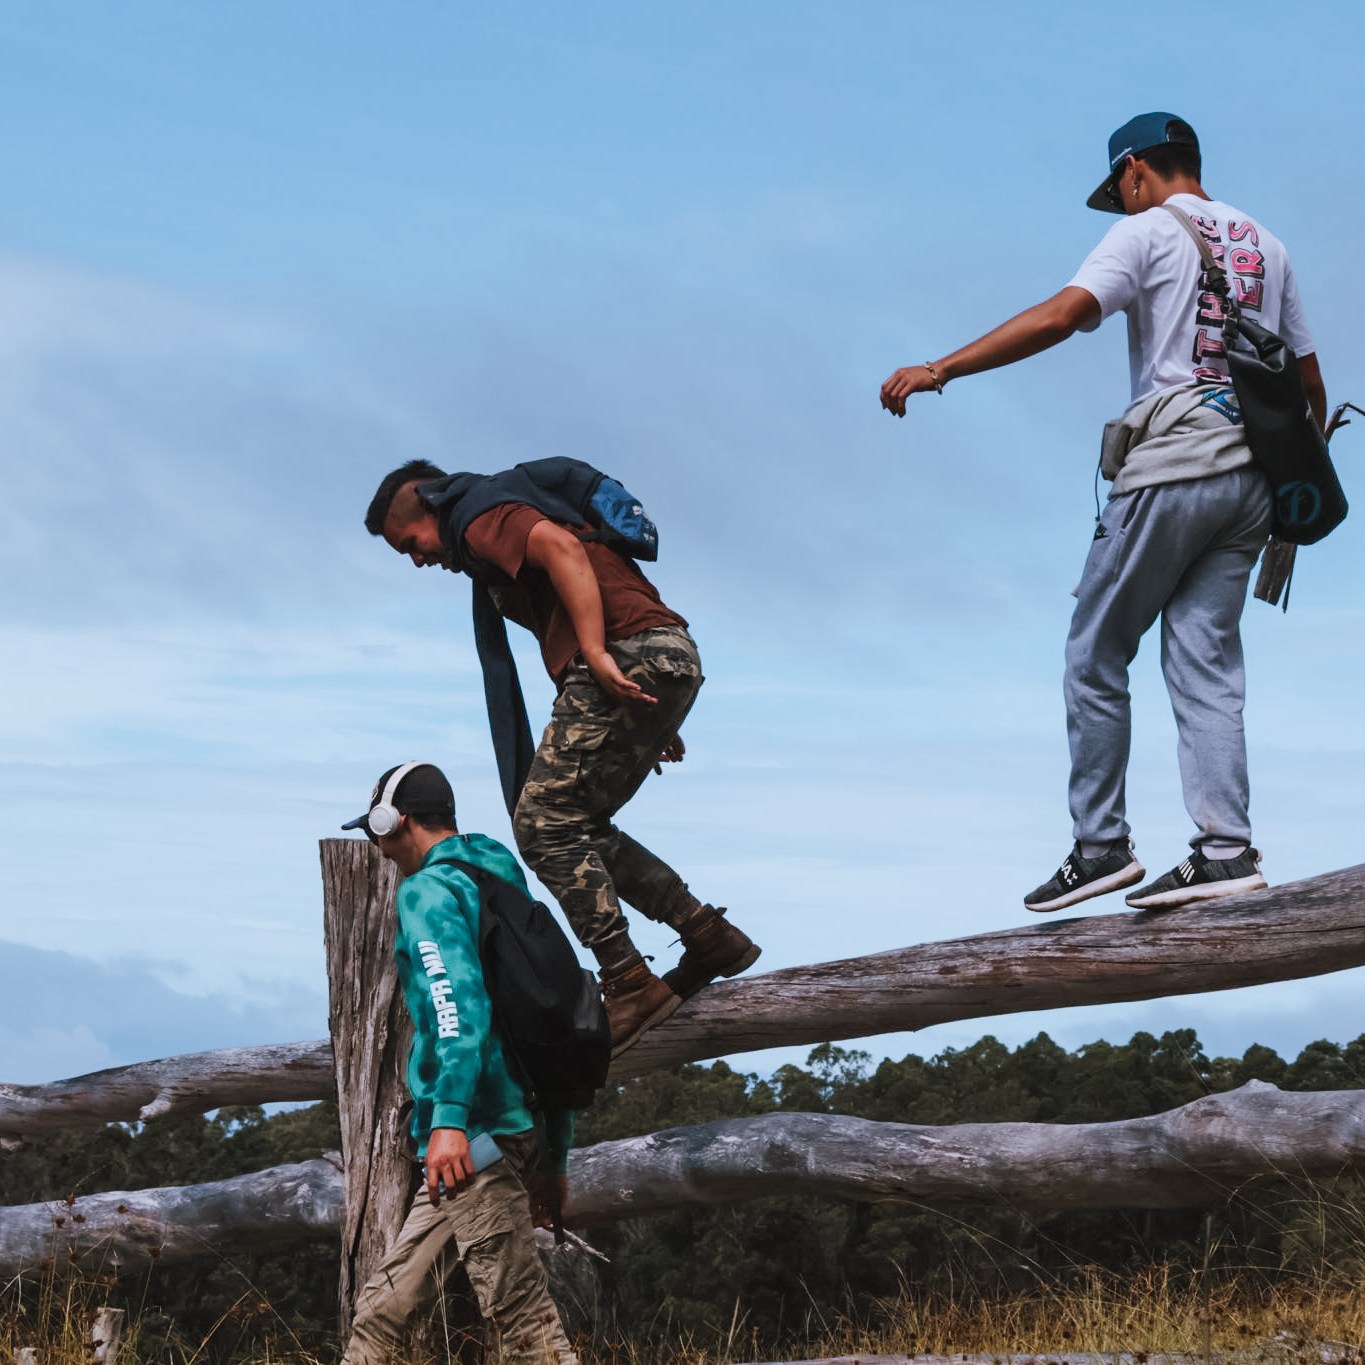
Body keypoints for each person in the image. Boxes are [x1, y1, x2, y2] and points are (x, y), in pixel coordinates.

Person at [881, 112, 1326, 913]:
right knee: (1205, 664)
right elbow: (1306, 385)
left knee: (1094, 652)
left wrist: (940, 367)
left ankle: (1099, 847)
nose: (1120, 202)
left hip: (1173, 465)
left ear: (1134, 169)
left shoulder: (1146, 231)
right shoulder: (1269, 245)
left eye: (1118, 188)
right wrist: (1288, 487)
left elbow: (1062, 315)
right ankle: (1225, 850)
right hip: (1251, 482)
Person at [363, 462, 761, 1053]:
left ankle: (629, 982)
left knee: (540, 825)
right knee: (576, 825)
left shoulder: (476, 514)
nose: (419, 560)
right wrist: (648, 713)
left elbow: (563, 550)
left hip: (630, 650)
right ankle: (706, 934)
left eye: (410, 545)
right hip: (660, 654)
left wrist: (599, 654)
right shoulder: (489, 528)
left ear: (427, 507)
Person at [339, 760, 577, 1365]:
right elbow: (548, 1015)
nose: (377, 848)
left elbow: (456, 1010)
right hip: (517, 1124)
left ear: (394, 821)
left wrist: (448, 1120)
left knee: (525, 1324)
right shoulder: (497, 872)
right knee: (384, 1311)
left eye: (375, 831)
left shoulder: (428, 893)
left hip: (473, 1135)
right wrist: (554, 1154)